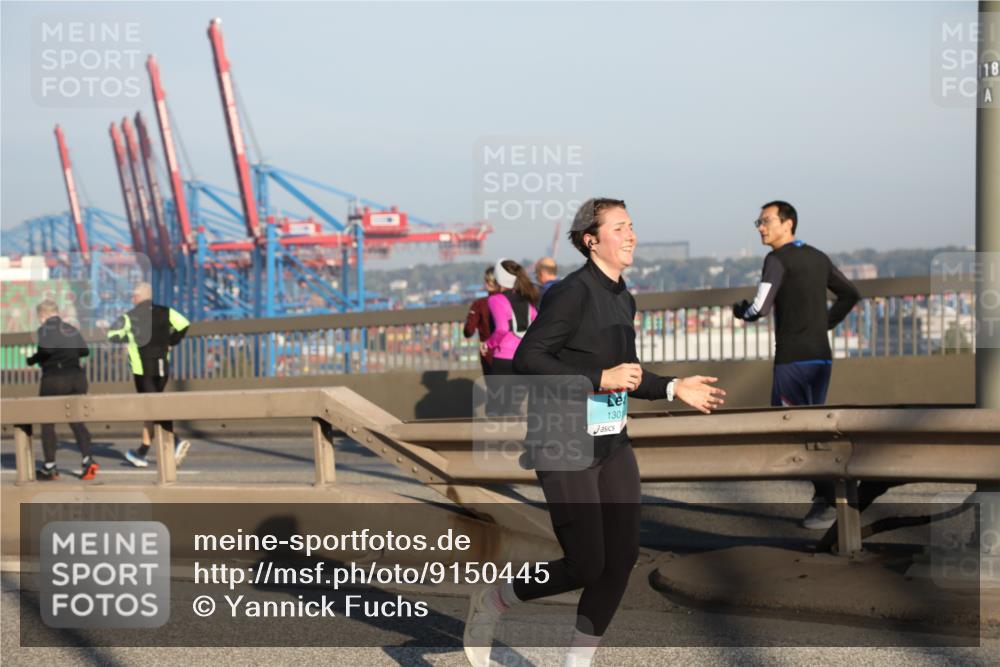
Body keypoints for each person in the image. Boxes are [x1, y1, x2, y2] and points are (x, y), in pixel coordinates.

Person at [463, 198, 726, 667]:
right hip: (563, 442)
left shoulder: (624, 296)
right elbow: (529, 360)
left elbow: (625, 373)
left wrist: (672, 387)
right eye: (620, 227)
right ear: (591, 240)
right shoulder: (572, 292)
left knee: (620, 560)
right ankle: (496, 599)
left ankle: (576, 663)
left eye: (632, 226)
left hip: (610, 440)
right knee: (586, 564)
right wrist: (596, 378)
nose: (631, 235)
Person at [732, 200, 861, 529]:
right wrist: (825, 324)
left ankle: (830, 499)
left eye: (766, 221)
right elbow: (849, 293)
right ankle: (828, 498)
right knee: (811, 426)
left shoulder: (776, 259)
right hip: (821, 355)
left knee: (790, 428)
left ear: (787, 223)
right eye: (758, 222)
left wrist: (740, 310)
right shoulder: (818, 257)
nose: (761, 227)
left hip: (792, 357)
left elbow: (760, 308)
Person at [107, 282, 192, 468]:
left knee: (154, 407)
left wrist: (128, 337)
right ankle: (142, 451)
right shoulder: (165, 311)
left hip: (142, 369)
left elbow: (112, 334)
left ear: (138, 298)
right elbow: (184, 324)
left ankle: (176, 442)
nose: (132, 298)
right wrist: (171, 340)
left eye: (133, 296)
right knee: (151, 408)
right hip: (162, 367)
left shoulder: (130, 316)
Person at [26, 300, 97, 481]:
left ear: (42, 315)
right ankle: (88, 460)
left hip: (55, 380)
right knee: (76, 420)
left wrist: (33, 359)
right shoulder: (70, 328)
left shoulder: (45, 329)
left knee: (48, 422)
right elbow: (84, 351)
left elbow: (46, 350)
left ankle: (50, 467)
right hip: (78, 379)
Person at [482, 259, 538, 416]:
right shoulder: (528, 299)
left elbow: (501, 328)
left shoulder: (495, 300)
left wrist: (488, 344)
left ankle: (497, 440)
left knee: (495, 409)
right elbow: (536, 322)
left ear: (499, 278)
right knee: (514, 409)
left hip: (504, 361)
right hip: (524, 359)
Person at [463, 267, 500, 375]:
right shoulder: (510, 301)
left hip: (487, 351)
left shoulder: (479, 304)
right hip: (510, 351)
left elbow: (468, 331)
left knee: (493, 388)